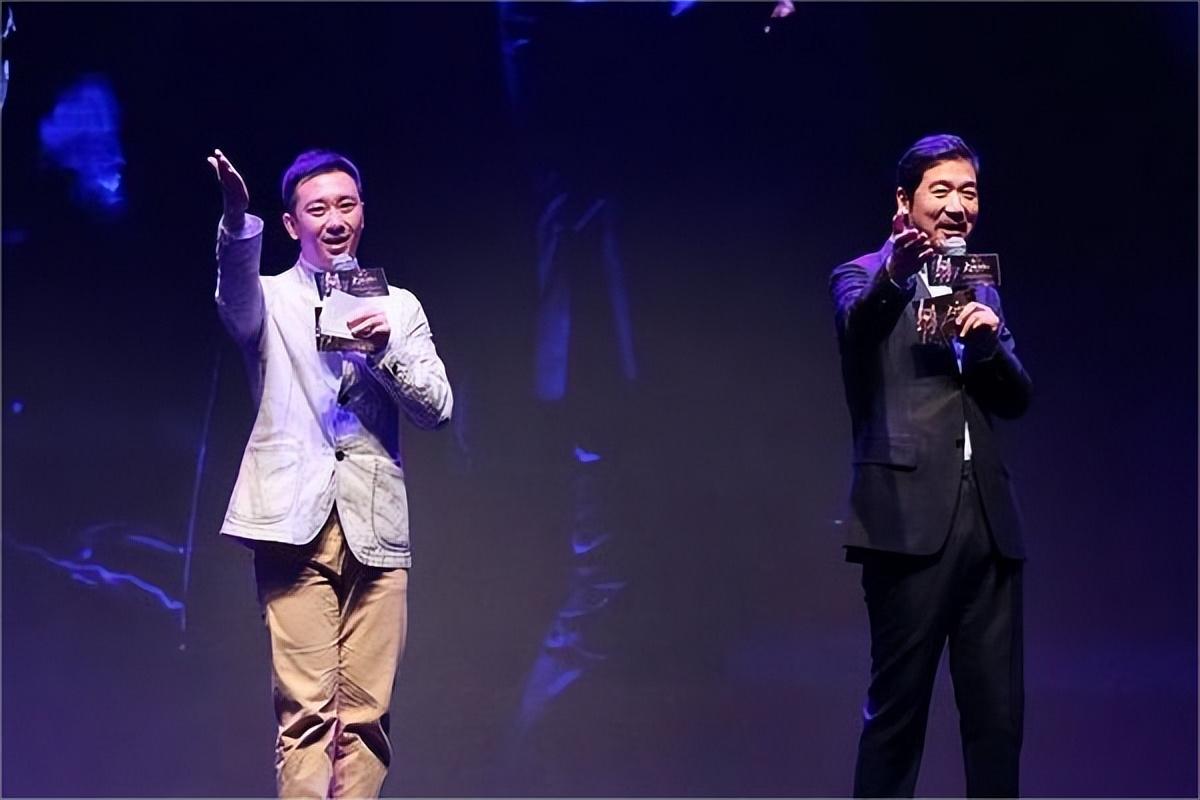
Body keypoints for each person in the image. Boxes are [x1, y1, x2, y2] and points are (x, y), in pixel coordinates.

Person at [207, 147, 453, 799]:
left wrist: (385, 351)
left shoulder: (399, 306)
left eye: (346, 205)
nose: (334, 219)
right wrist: (235, 218)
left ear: (363, 214)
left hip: (376, 524)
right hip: (292, 522)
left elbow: (437, 409)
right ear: (292, 224)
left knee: (367, 719)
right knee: (308, 714)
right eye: (318, 209)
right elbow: (234, 297)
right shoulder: (268, 299)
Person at [829, 134, 1032, 798]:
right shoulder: (860, 274)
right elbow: (859, 327)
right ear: (904, 200)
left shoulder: (980, 286)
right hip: (906, 524)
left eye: (968, 192)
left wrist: (987, 344)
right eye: (940, 190)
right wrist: (894, 271)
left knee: (997, 722)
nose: (956, 206)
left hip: (989, 529)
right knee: (897, 718)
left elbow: (1017, 398)